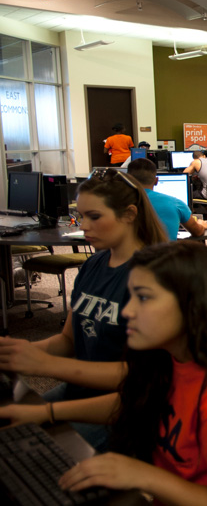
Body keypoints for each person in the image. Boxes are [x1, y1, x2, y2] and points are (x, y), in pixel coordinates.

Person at [0, 241, 207, 505]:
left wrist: (143, 476)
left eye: (143, 298)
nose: (126, 311)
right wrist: (46, 413)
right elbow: (135, 402)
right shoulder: (173, 358)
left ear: (193, 306)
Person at [0, 169, 168, 447]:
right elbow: (68, 340)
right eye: (81, 215)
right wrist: (20, 353)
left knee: (39, 454)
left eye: (95, 216)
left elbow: (144, 379)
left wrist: (47, 364)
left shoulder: (152, 275)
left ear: (129, 214)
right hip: (83, 388)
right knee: (12, 433)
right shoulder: (93, 264)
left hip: (128, 405)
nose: (83, 225)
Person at [127, 158, 207, 240]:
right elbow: (198, 232)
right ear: (156, 181)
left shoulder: (118, 203)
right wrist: (201, 225)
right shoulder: (176, 203)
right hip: (165, 252)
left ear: (128, 180)